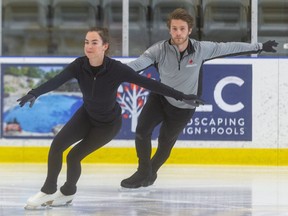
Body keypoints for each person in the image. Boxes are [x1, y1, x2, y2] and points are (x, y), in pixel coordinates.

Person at [18, 27, 204, 209]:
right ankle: (49, 190)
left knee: (74, 156)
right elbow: (56, 80)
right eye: (86, 42)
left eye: (94, 42)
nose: (89, 46)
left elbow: (150, 84)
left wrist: (182, 95)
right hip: (86, 115)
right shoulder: (79, 65)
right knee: (57, 146)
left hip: (108, 125)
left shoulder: (116, 69)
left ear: (104, 46)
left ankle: (67, 191)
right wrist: (34, 93)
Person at [120, 8, 278, 189]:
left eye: (181, 28)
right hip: (160, 98)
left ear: (189, 30)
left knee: (165, 142)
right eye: (174, 28)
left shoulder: (201, 49)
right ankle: (143, 170)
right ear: (169, 30)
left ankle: (151, 172)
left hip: (184, 106)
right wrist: (112, 71)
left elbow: (229, 47)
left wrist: (259, 46)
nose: (178, 33)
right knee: (142, 130)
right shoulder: (159, 50)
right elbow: (137, 65)